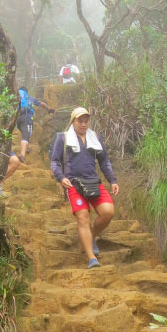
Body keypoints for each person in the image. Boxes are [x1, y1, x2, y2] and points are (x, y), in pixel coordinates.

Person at [50, 107, 119, 269]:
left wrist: (112, 180)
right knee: (83, 217)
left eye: (86, 121)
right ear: (73, 121)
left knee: (108, 212)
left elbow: (104, 161)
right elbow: (55, 161)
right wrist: (61, 178)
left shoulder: (94, 138)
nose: (83, 124)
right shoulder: (63, 138)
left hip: (93, 182)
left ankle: (91, 236)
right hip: (73, 184)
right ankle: (91, 258)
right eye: (80, 121)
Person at [17, 86, 54, 163]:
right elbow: (41, 104)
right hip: (26, 117)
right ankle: (22, 155)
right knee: (26, 135)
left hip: (17, 118)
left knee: (24, 132)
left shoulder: (16, 97)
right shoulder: (29, 98)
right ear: (26, 92)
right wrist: (49, 108)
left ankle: (26, 148)